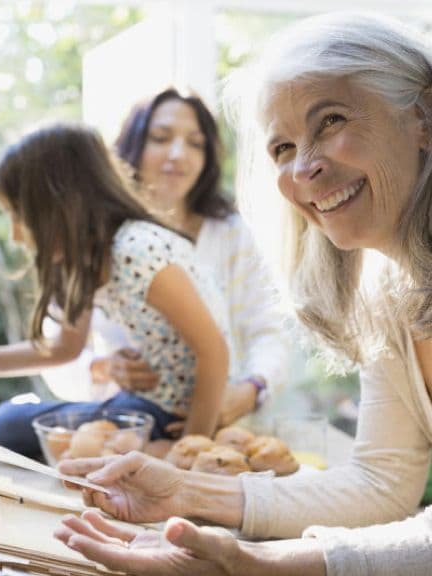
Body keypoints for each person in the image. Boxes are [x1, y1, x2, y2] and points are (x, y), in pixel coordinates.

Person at [54, 12, 432, 575]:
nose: (304, 168)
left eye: (330, 120)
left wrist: (260, 562)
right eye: (282, 148)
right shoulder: (389, 298)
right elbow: (382, 486)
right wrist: (186, 493)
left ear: (422, 116)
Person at [0, 122, 233, 458]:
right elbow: (64, 349)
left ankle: (156, 449)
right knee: (11, 421)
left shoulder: (137, 250)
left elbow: (214, 352)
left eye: (19, 216)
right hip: (146, 407)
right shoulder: (91, 259)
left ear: (60, 206)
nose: (16, 236)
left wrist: (190, 448)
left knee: (8, 423)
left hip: (170, 414)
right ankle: (142, 448)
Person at [88, 87, 289, 431]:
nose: (179, 154)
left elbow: (268, 330)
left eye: (196, 143)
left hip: (227, 431)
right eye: (161, 138)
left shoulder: (231, 233)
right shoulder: (101, 238)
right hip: (132, 427)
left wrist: (251, 389)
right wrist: (105, 366)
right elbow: (65, 343)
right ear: (132, 146)